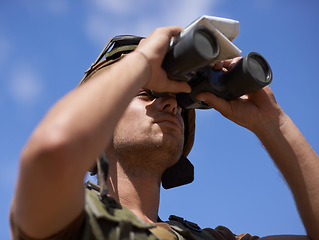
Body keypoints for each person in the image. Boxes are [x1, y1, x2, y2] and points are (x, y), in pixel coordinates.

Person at [10, 26, 319, 240]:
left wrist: (272, 122)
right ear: (101, 122)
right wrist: (142, 63)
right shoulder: (72, 217)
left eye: (178, 102)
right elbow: (49, 154)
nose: (170, 106)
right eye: (147, 94)